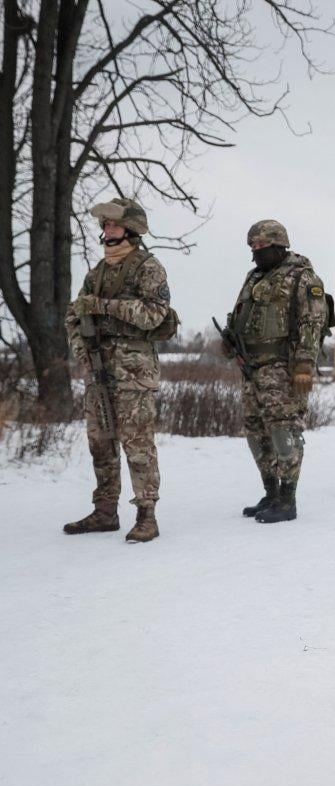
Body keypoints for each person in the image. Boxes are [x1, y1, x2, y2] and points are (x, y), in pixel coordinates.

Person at [64, 198, 175, 543]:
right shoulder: (96, 273)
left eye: (113, 224)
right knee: (100, 442)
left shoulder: (148, 268)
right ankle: (105, 511)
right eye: (105, 224)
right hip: (98, 370)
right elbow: (74, 316)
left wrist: (103, 306)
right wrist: (82, 352)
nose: (107, 229)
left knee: (137, 444)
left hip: (134, 371)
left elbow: (153, 314)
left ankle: (146, 515)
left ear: (131, 228)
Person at [221, 220, 327, 523]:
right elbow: (241, 313)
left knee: (283, 430)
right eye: (252, 246)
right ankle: (271, 493)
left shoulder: (302, 277)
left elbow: (311, 322)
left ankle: (287, 499)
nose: (256, 251)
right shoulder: (254, 277)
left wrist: (304, 364)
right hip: (251, 367)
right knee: (255, 431)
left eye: (262, 245)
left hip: (283, 367)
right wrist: (230, 338)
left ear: (279, 244)